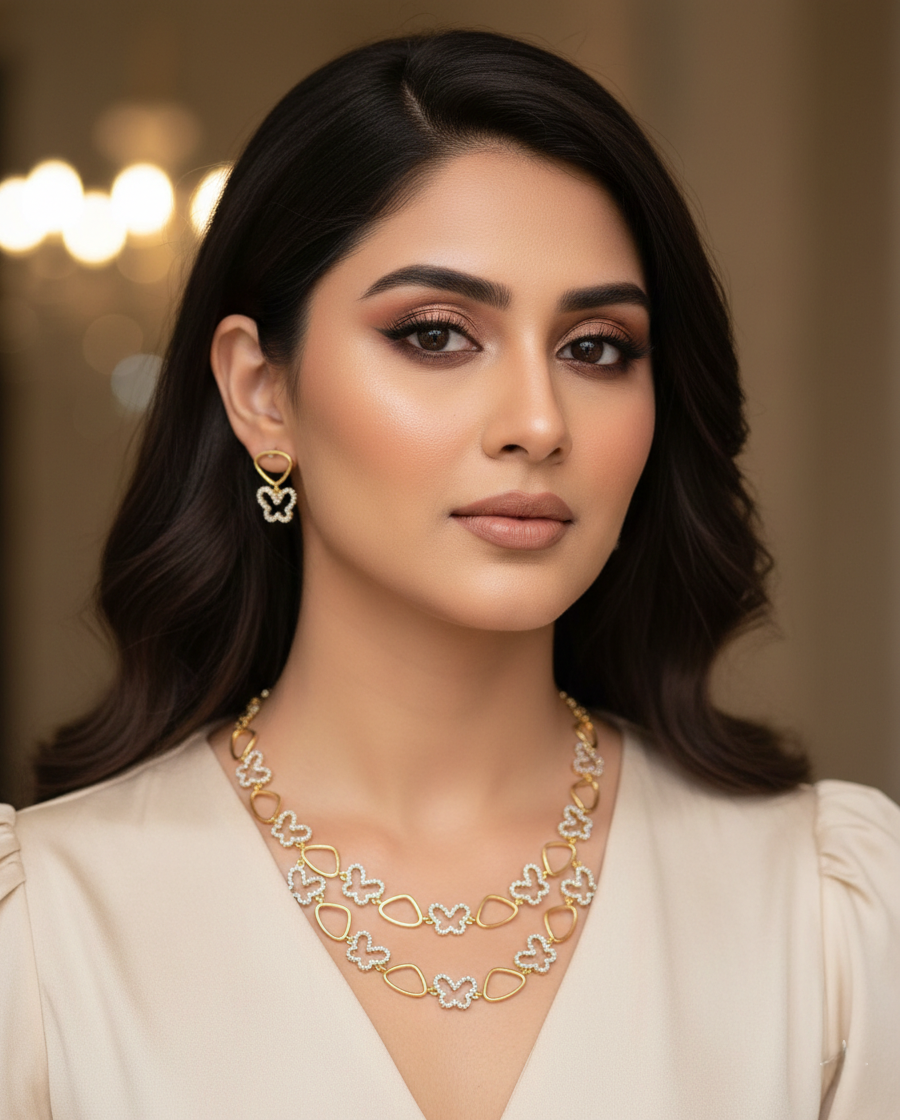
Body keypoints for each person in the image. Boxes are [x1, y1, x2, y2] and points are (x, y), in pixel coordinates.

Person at [1, 29, 898, 1120]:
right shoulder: (42, 937)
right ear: (261, 391)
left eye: (597, 346)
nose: (535, 421)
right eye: (435, 334)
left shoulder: (828, 915)